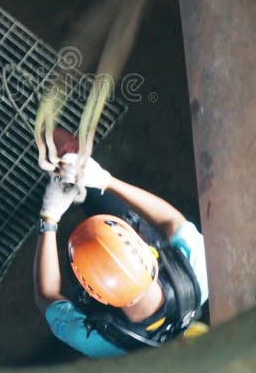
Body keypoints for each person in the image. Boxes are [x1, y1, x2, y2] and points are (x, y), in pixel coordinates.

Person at [34, 153, 209, 358]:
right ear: (150, 254)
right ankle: (87, 192)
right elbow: (171, 221)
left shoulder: (100, 341)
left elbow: (48, 297)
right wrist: (104, 180)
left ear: (95, 294)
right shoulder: (197, 274)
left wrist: (50, 215)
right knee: (95, 194)